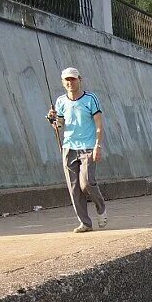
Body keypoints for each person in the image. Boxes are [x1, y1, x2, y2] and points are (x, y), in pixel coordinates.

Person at [47, 67, 107, 234]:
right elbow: (59, 126)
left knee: (86, 182)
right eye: (67, 80)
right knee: (74, 188)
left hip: (88, 147)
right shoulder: (60, 101)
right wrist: (52, 119)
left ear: (79, 79)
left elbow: (99, 124)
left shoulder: (90, 99)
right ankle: (85, 223)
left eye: (73, 79)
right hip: (69, 147)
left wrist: (98, 146)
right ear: (63, 82)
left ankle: (101, 208)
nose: (70, 82)